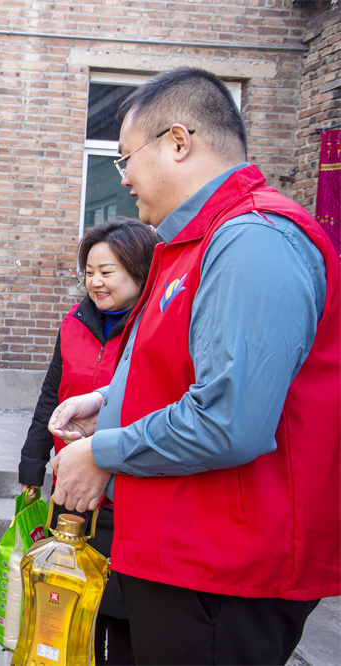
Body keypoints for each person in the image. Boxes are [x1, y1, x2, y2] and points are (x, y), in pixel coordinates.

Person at [48, 67, 340, 665]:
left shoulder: (253, 241)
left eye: (126, 156)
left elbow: (231, 417)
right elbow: (191, 364)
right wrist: (108, 402)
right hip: (184, 550)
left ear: (179, 142)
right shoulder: (196, 243)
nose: (121, 176)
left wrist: (102, 452)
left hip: (224, 567)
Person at [18, 217, 156, 665]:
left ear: (140, 269)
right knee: (67, 607)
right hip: (72, 487)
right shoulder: (74, 322)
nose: (95, 282)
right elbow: (50, 395)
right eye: (89, 272)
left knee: (123, 615)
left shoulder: (155, 330)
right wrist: (31, 465)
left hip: (128, 495)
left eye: (107, 272)